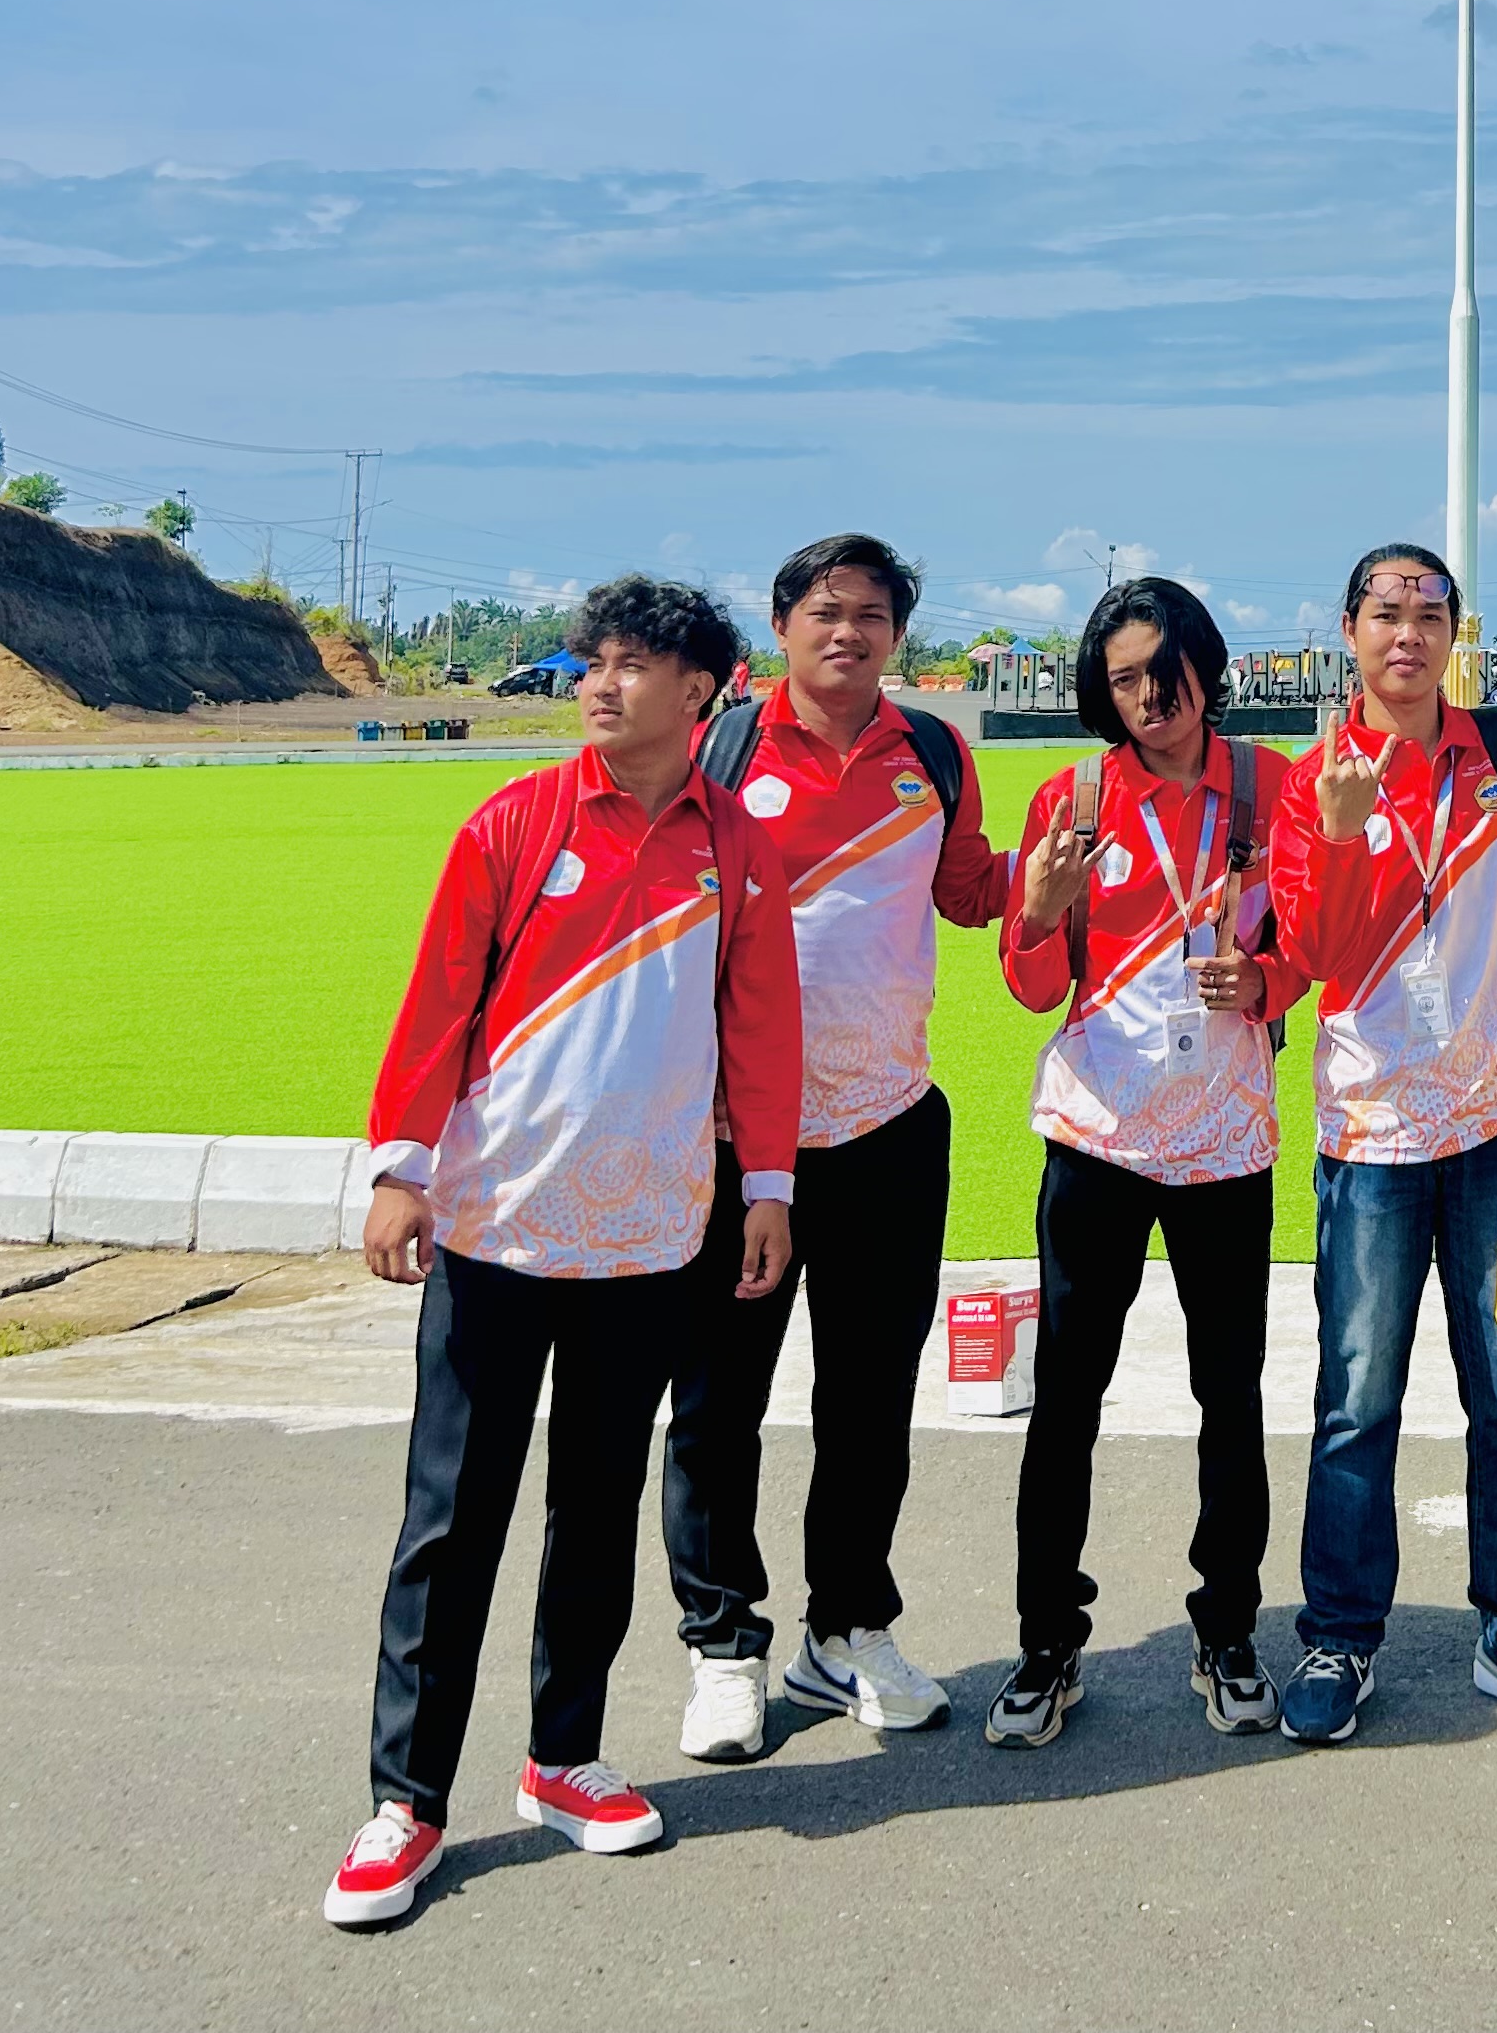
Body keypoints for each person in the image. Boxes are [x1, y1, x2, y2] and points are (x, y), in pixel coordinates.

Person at [324, 578, 801, 1932]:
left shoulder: (736, 846)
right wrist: (402, 1170)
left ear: (701, 690)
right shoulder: (515, 823)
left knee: (595, 1507)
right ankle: (406, 1803)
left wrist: (766, 1187)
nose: (600, 682)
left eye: (634, 664)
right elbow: (437, 1002)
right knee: (452, 1518)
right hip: (496, 1226)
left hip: (649, 1233)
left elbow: (762, 1024)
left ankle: (564, 1759)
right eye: (595, 661)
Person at [658, 533, 1017, 1755]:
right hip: (732, 1141)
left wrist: (1047, 877)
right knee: (719, 1407)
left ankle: (845, 1629)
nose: (848, 632)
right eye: (824, 611)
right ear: (781, 627)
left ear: (897, 636)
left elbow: (964, 891)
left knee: (868, 1404)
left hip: (888, 1128)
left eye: (870, 614)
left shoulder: (933, 752)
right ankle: (723, 1645)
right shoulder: (720, 751)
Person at [1266, 540, 1497, 1746]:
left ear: (1453, 635)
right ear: (1349, 631)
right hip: (1369, 1133)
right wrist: (1342, 832)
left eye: (1429, 613)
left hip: (1488, 1125)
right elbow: (1315, 955)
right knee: (1356, 1404)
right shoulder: (1317, 777)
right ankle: (1339, 1637)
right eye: (1385, 612)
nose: (1407, 633)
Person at [986, 578, 1300, 1748]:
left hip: (1223, 1139)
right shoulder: (1072, 800)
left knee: (1231, 1398)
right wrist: (1037, 914)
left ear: (1205, 669)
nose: (1149, 699)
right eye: (1123, 681)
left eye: (1166, 674)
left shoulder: (1273, 790)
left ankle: (1229, 1631)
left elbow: (1310, 945)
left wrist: (1265, 980)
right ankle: (1047, 1645)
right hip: (1100, 1138)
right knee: (1067, 1400)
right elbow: (1031, 988)